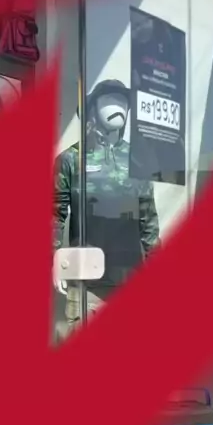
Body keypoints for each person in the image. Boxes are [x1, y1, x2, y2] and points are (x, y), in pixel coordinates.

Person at [53, 79, 160, 337]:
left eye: (123, 101)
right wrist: (53, 259)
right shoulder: (70, 159)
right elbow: (54, 215)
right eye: (109, 99)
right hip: (85, 281)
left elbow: (148, 220)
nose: (118, 105)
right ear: (92, 109)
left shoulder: (138, 160)